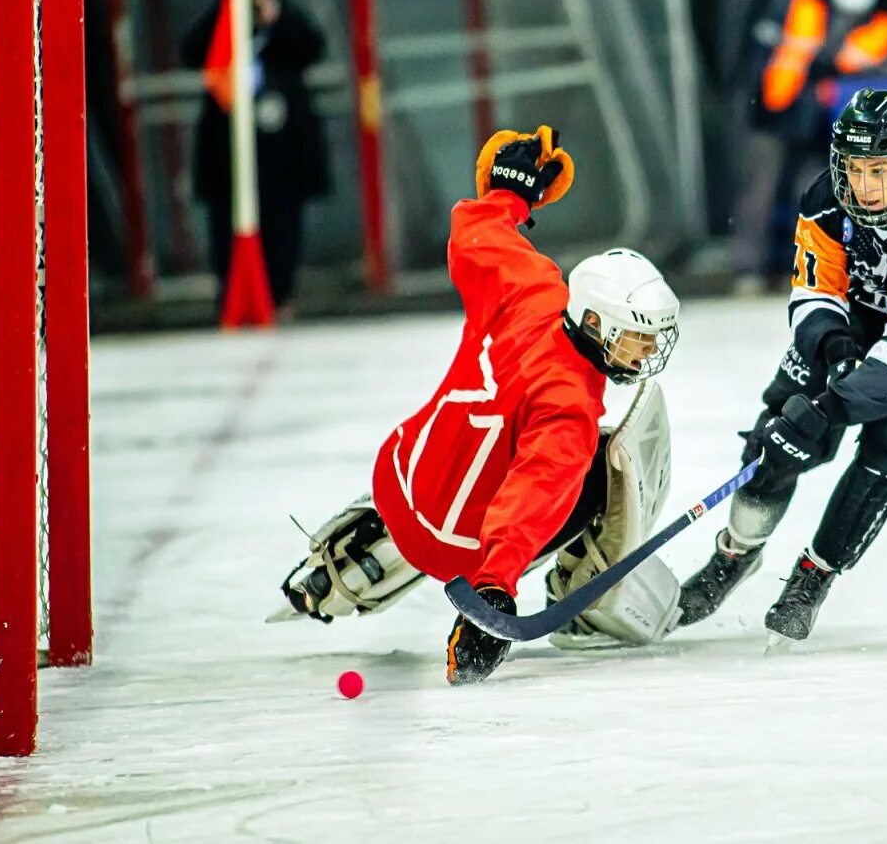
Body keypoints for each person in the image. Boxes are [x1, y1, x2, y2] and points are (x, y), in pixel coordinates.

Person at [269, 127, 685, 685]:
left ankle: (346, 559)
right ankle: (581, 597)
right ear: (595, 322)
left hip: (400, 477)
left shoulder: (531, 287)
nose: (648, 353)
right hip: (459, 554)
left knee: (465, 445)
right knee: (607, 470)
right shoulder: (570, 410)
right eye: (639, 339)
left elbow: (476, 233)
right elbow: (531, 499)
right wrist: (492, 591)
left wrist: (508, 194)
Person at [678, 89, 887, 645]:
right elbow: (814, 298)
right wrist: (833, 353)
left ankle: (815, 575)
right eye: (854, 169)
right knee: (778, 431)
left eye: (880, 170)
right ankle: (736, 554)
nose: (864, 186)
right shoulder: (823, 201)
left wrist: (830, 407)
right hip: (870, 305)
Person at [730, 0, 887, 295]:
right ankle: (749, 269)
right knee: (760, 189)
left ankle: (802, 266)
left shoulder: (881, 21)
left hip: (819, 120)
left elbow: (857, 64)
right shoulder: (800, 1)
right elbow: (763, 48)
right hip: (773, 107)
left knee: (810, 192)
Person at [181, 0, 330, 317]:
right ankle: (230, 293)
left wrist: (273, 16)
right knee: (225, 222)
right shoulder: (223, 17)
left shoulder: (284, 12)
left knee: (283, 222)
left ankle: (280, 294)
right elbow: (191, 52)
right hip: (227, 148)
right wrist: (227, 11)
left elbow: (313, 46)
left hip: (281, 147)